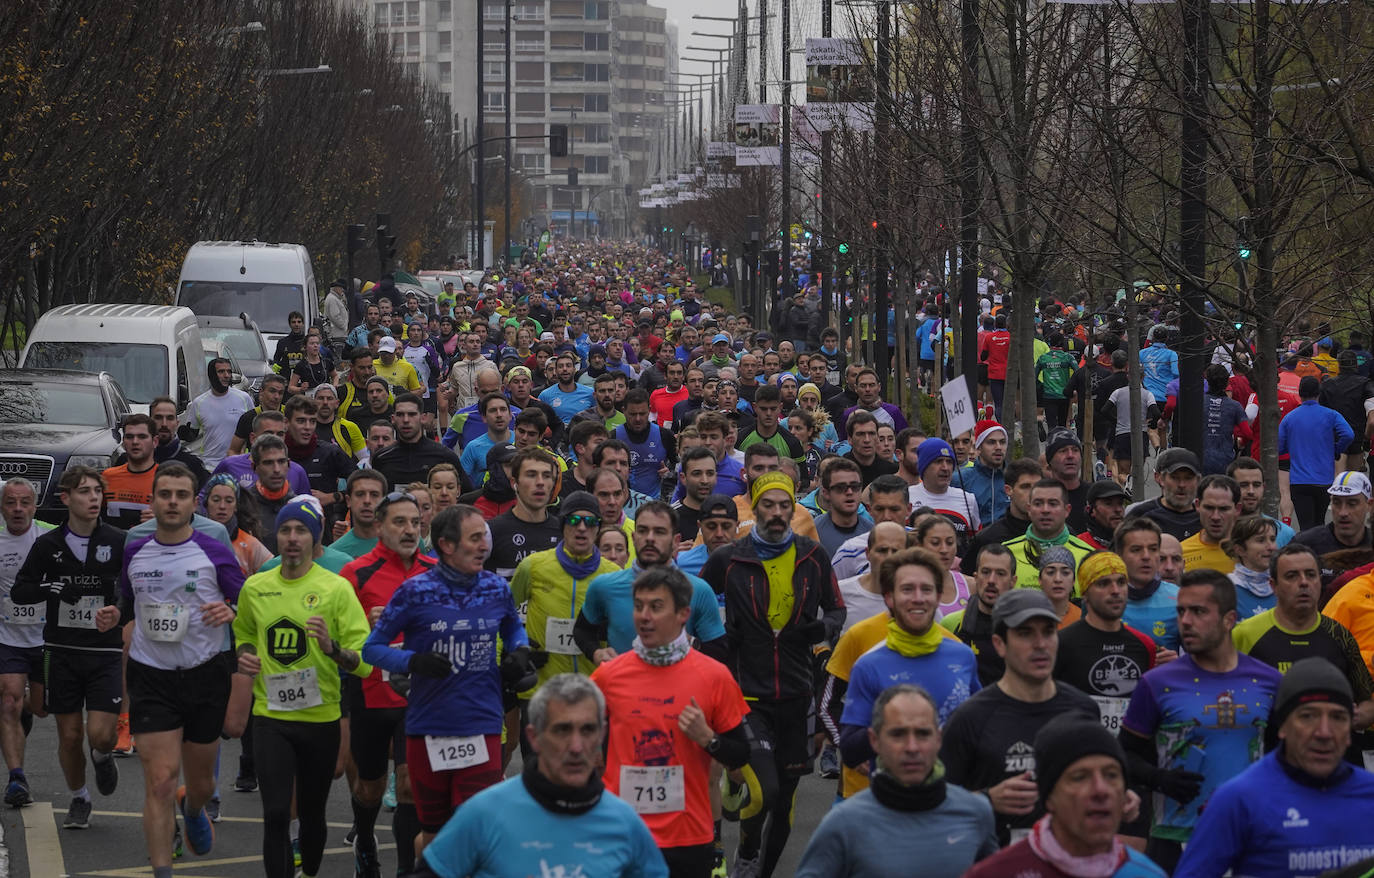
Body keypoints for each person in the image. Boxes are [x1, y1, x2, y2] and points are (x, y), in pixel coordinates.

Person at [362, 504, 536, 865]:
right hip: (430, 728)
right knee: (435, 833)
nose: (484, 547)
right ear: (447, 545)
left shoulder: (494, 588)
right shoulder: (415, 591)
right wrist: (412, 662)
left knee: (472, 828)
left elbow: (513, 628)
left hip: (481, 724)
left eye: (484, 539)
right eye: (474, 539)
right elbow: (372, 649)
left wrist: (519, 650)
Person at [700, 471, 845, 878]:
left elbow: (836, 608)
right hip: (747, 694)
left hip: (799, 694)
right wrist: (719, 637)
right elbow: (695, 604)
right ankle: (747, 851)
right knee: (766, 790)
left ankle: (761, 872)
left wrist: (824, 629)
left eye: (785, 506)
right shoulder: (729, 558)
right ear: (755, 507)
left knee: (785, 802)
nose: (778, 513)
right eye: (769, 505)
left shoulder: (811, 556)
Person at [404, 673, 668, 878]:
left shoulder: (625, 823)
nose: (576, 747)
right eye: (562, 731)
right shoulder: (484, 813)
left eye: (587, 730)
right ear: (534, 737)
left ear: (601, 736)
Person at [234, 497, 372, 878]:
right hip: (270, 717)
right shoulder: (256, 587)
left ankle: (310, 868)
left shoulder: (336, 590)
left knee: (312, 815)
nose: (292, 538)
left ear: (315, 538)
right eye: (285, 530)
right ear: (276, 536)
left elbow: (364, 660)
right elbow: (243, 631)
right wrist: (245, 653)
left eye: (301, 531)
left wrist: (332, 648)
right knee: (277, 813)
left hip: (321, 718)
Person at [119, 463, 244, 876]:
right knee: (159, 779)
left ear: (194, 503)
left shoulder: (214, 550)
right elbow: (126, 603)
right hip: (150, 674)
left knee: (202, 783)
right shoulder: (134, 549)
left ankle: (193, 809)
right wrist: (113, 617)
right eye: (165, 494)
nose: (172, 502)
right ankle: (162, 871)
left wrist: (229, 609)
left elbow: (247, 601)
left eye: (181, 495)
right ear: (153, 500)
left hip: (204, 675)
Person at [590, 566, 751, 877]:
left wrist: (708, 738)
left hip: (687, 837)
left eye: (656, 606)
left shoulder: (714, 676)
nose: (644, 616)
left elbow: (741, 754)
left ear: (683, 613)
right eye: (638, 606)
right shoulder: (609, 676)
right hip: (622, 832)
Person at [1119, 569, 1281, 872]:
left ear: (1229, 619)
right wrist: (1159, 779)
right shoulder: (1156, 683)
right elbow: (1125, 754)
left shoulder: (1268, 680)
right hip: (1175, 837)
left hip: (1251, 835)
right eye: (1181, 611)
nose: (1186, 621)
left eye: (1199, 612)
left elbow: (1284, 756)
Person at [1173, 658, 1374, 878]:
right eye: (1308, 716)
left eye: (1338, 717)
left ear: (1350, 729)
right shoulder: (1238, 800)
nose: (1324, 732)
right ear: (1282, 726)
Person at [11, 467, 125, 826]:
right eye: (84, 492)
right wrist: (51, 588)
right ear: (65, 499)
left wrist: (118, 610)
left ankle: (103, 757)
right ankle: (79, 797)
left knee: (101, 735)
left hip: (105, 651)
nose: (93, 498)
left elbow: (132, 589)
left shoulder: (117, 540)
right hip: (62, 650)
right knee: (70, 734)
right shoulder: (48, 545)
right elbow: (21, 590)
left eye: (97, 492)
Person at [940, 589, 1099, 845]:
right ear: (999, 644)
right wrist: (987, 799)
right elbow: (938, 803)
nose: (1040, 644)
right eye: (1025, 633)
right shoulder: (971, 718)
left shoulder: (1083, 710)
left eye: (1048, 632)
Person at [799, 685, 998, 878]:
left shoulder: (976, 813)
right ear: (874, 741)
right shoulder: (843, 823)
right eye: (898, 734)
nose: (912, 747)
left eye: (922, 734)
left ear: (939, 739)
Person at [339, 490, 437, 875]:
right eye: (399, 522)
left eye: (415, 522)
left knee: (411, 785)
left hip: (417, 696)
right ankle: (364, 839)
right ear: (379, 527)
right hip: (371, 694)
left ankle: (405, 868)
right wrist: (369, 623)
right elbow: (340, 637)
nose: (410, 530)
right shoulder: (355, 572)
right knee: (370, 788)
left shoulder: (435, 569)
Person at [962, 714, 1167, 878]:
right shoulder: (994, 873)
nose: (1100, 790)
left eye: (1111, 775)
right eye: (1080, 777)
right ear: (1049, 797)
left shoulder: (1148, 874)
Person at [838, 548, 979, 771]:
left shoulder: (962, 656)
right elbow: (849, 750)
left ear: (938, 595)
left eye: (926, 589)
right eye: (907, 590)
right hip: (890, 799)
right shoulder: (869, 665)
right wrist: (894, 725)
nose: (918, 598)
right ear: (889, 597)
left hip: (952, 798)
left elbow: (979, 727)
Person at [1232, 544, 1374, 724]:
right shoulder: (1244, 635)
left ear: (1320, 581)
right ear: (1273, 585)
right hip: (1267, 746)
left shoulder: (1340, 635)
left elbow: (1367, 703)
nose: (1304, 582)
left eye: (1310, 575)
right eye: (1292, 576)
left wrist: (1349, 719)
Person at [575, 502, 725, 662]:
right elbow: (582, 631)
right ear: (633, 538)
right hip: (623, 684)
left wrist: (691, 644)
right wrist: (596, 652)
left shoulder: (698, 590)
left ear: (676, 541)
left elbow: (719, 651)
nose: (650, 539)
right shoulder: (604, 586)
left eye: (659, 532)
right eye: (643, 531)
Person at [510, 491, 622, 690]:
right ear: (562, 525)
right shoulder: (533, 566)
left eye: (589, 521)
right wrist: (517, 646)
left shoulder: (613, 574)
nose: (581, 527)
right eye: (573, 520)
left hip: (593, 688)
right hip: (543, 687)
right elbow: (503, 612)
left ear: (598, 528)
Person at [0, 478, 50, 807]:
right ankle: (16, 778)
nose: (18, 509)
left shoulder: (49, 538)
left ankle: (27, 713)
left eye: (24, 503)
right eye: (10, 503)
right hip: (7, 637)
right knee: (8, 703)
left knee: (41, 708)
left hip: (46, 639)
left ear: (34, 506)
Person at [1280, 375, 1355, 529]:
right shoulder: (1331, 415)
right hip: (1324, 479)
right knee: (1320, 523)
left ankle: (1307, 551)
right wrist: (1336, 449)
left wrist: (1293, 447)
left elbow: (1279, 447)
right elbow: (1348, 434)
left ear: (1300, 394)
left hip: (1299, 481)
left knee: (1305, 526)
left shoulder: (1289, 418)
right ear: (1319, 393)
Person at [1003, 480, 1095, 590]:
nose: (1045, 510)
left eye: (1053, 504)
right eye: (1038, 504)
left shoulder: (1089, 557)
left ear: (1067, 510)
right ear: (1029, 509)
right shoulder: (1006, 554)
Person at [486, 448, 562, 579]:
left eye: (547, 476)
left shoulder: (562, 532)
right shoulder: (491, 532)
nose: (540, 482)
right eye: (531, 475)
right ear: (514, 483)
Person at [1293, 471, 1374, 586]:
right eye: (1336, 503)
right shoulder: (1304, 545)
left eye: (1352, 504)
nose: (1343, 512)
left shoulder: (1371, 545)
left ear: (1369, 505)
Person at [1114, 517, 1182, 654]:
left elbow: (1204, 661)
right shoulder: (1102, 599)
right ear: (1119, 555)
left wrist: (1179, 664)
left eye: (1153, 549)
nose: (1146, 556)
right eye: (1136, 549)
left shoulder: (1180, 599)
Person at [371, 394, 464, 489]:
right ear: (393, 419)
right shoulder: (381, 458)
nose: (406, 420)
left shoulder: (444, 456)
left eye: (412, 414)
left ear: (423, 418)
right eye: (400, 414)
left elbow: (465, 493)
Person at [184, 357, 254, 469]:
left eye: (229, 371)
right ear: (211, 375)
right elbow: (192, 435)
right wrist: (186, 434)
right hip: (210, 466)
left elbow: (253, 432)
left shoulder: (243, 398)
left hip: (238, 464)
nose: (226, 375)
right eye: (221, 372)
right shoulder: (199, 403)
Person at [907, 439, 980, 544]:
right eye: (938, 461)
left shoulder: (968, 499)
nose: (945, 468)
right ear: (924, 466)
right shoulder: (907, 496)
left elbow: (975, 543)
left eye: (949, 462)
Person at [1127, 448, 1202, 540]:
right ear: (1160, 478)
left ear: (1198, 480)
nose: (1182, 485)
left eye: (1188, 478)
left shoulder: (1207, 517)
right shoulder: (1141, 515)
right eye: (1174, 478)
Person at [102, 413, 159, 529]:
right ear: (123, 442)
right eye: (129, 437)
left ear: (155, 442)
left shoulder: (165, 479)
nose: (135, 442)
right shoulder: (108, 476)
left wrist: (162, 521)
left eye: (142, 436)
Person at [1180, 474, 1240, 573]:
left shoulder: (1250, 553)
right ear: (1197, 505)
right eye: (1209, 508)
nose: (1215, 517)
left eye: (1223, 509)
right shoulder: (1181, 553)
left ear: (1237, 509)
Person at [1225, 514, 1279, 619]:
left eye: (1272, 539)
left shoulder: (1284, 586)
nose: (1271, 547)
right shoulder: (1225, 589)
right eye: (1261, 540)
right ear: (1240, 550)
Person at [813, 459, 871, 556]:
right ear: (826, 493)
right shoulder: (814, 532)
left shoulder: (871, 532)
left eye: (855, 486)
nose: (849, 492)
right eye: (840, 487)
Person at [674, 493, 739, 578]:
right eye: (711, 527)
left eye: (726, 527)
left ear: (737, 526)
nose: (719, 534)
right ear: (699, 526)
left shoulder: (750, 563)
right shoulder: (680, 564)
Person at [958, 420, 1009, 525]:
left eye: (1002, 442)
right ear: (979, 447)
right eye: (991, 442)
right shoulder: (960, 478)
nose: (998, 447)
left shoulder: (1016, 477)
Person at [332, 469, 388, 558]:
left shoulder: (405, 544)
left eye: (374, 495)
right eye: (360, 494)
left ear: (384, 501)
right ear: (348, 501)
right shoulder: (336, 552)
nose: (367, 501)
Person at [842, 411, 899, 487]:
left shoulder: (892, 471)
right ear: (849, 439)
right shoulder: (839, 470)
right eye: (860, 434)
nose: (867, 440)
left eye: (872, 433)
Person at [1078, 479, 1128, 550]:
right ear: (1091, 510)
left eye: (1120, 503)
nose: (1118, 510)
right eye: (1108, 504)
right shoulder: (1079, 545)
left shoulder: (1134, 543)